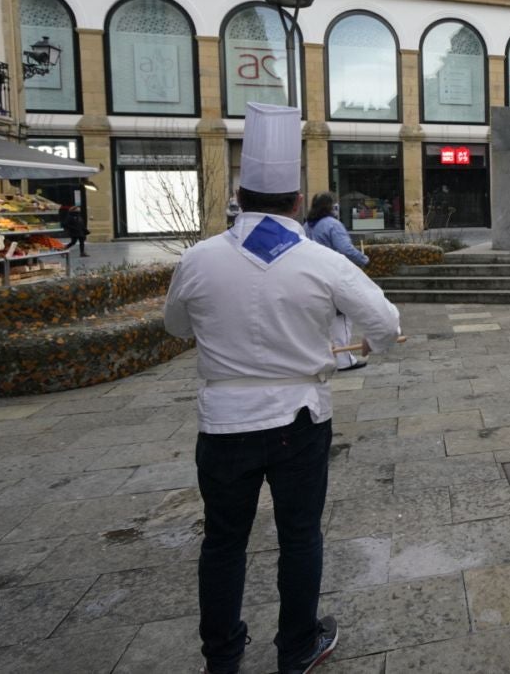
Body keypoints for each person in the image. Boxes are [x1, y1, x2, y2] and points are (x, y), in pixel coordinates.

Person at [164, 103, 401, 674]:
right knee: (299, 536)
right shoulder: (322, 262)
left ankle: (221, 657)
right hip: (299, 418)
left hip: (223, 422)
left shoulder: (198, 260)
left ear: (240, 198)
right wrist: (367, 346)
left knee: (223, 542)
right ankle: (296, 646)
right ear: (297, 202)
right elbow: (387, 325)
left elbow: (175, 327)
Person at [304, 191, 371, 372]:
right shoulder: (332, 224)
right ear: (330, 206)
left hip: (311, 276)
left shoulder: (307, 226)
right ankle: (344, 360)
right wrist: (363, 259)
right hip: (333, 275)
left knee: (323, 320)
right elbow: (345, 249)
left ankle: (328, 355)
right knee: (342, 319)